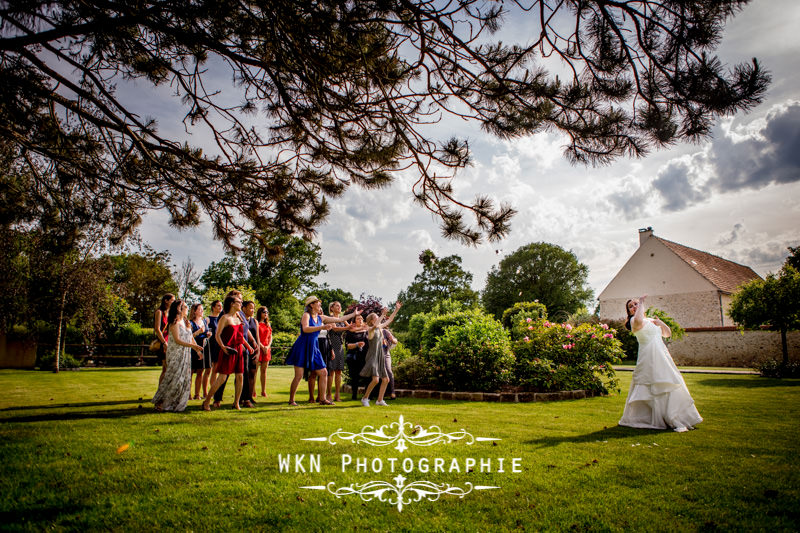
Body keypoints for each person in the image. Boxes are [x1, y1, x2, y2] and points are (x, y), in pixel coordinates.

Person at [619, 295, 703, 432]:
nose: (634, 306)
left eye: (635, 304)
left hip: (661, 355)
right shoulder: (634, 320)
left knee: (669, 383)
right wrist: (641, 303)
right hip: (648, 356)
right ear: (629, 312)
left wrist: (661, 323)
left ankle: (677, 416)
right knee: (652, 384)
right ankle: (651, 417)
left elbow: (667, 334)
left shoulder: (650, 320)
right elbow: (640, 319)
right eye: (631, 306)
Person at [285, 295, 361, 406]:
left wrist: (353, 314)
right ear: (312, 305)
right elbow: (305, 329)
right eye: (318, 302)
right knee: (299, 375)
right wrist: (322, 327)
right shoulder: (306, 315)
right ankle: (291, 400)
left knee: (324, 372)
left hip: (314, 347)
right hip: (302, 346)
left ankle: (322, 399)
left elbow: (340, 319)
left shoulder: (321, 318)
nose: (320, 304)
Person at [152, 299, 203, 412]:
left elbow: (190, 337)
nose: (187, 308)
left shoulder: (186, 322)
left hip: (186, 353)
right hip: (175, 352)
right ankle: (161, 402)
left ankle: (176, 402)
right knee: (173, 377)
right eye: (185, 306)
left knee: (183, 378)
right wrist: (193, 346)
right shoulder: (174, 322)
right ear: (179, 309)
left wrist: (197, 350)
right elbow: (177, 340)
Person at [203, 295, 247, 411]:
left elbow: (240, 336)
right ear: (232, 304)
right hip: (227, 350)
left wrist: (245, 346)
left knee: (240, 376)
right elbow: (217, 335)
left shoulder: (238, 318)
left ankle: (236, 402)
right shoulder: (225, 318)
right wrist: (223, 347)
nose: (241, 303)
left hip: (239, 351)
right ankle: (206, 401)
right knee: (222, 378)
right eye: (239, 302)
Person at [360, 302, 402, 407]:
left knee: (386, 379)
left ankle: (380, 400)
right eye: (376, 317)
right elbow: (374, 326)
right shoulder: (370, 330)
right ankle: (365, 398)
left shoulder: (380, 328)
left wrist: (396, 309)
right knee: (375, 380)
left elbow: (390, 320)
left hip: (380, 356)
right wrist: (383, 314)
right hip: (372, 356)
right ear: (371, 320)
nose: (379, 318)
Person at [325, 301, 349, 403]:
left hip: (339, 347)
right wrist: (347, 327)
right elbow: (335, 329)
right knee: (331, 372)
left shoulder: (342, 319)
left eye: (340, 306)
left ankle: (337, 395)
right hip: (331, 346)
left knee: (339, 371)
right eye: (337, 306)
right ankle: (329, 394)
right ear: (332, 308)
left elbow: (351, 328)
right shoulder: (330, 318)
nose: (339, 307)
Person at [189, 303, 212, 399]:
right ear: (194, 311)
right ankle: (188, 394)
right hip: (194, 346)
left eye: (202, 309)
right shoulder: (190, 323)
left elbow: (206, 333)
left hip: (204, 346)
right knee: (190, 372)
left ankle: (197, 394)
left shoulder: (204, 322)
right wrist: (198, 332)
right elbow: (189, 336)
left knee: (200, 371)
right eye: (200, 309)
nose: (202, 311)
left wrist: (208, 335)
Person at [345, 314, 369, 400]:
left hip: (365, 357)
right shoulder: (350, 332)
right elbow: (347, 346)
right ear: (354, 321)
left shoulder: (367, 331)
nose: (360, 320)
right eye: (358, 319)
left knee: (367, 376)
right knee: (354, 377)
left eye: (361, 319)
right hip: (353, 357)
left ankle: (367, 395)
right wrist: (356, 344)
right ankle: (354, 395)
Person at [153, 293, 175, 384]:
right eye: (172, 300)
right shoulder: (159, 312)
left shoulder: (171, 313)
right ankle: (160, 392)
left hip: (170, 340)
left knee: (169, 369)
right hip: (164, 341)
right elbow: (157, 329)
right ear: (166, 301)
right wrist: (164, 343)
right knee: (165, 368)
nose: (173, 302)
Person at [205, 300, 223, 401]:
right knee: (208, 369)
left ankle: (214, 391)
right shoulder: (208, 319)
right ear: (213, 307)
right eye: (218, 306)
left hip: (218, 346)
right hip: (209, 345)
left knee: (216, 369)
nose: (220, 307)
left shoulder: (221, 319)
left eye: (221, 306)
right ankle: (204, 392)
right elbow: (204, 330)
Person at [256, 306, 272, 398]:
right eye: (264, 312)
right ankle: (253, 391)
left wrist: (267, 346)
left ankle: (263, 390)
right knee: (255, 371)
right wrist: (262, 347)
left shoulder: (268, 324)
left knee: (264, 371)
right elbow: (256, 336)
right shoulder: (256, 323)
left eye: (267, 312)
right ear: (260, 313)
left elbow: (270, 337)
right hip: (259, 348)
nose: (266, 314)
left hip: (267, 349)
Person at [382, 327, 398, 400]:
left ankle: (392, 392)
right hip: (375, 355)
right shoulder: (371, 330)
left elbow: (395, 341)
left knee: (389, 371)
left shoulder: (385, 331)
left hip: (386, 354)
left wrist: (392, 339)